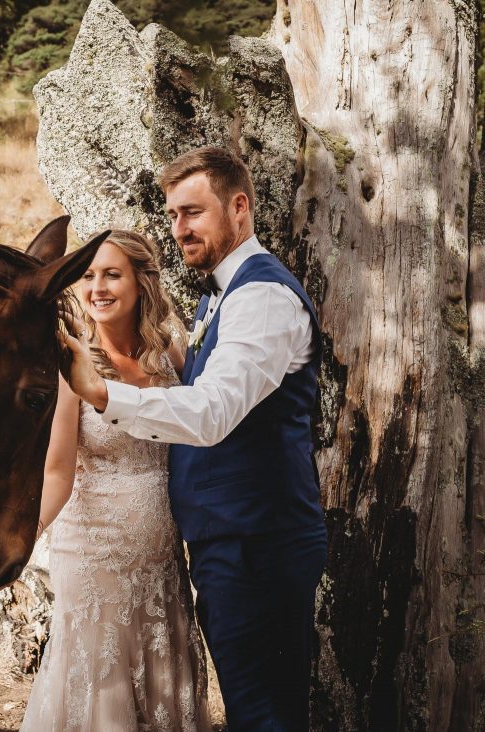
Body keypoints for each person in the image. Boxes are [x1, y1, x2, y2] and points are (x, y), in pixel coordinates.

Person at [61, 146, 328, 731]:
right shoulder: (220, 295)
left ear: (239, 208)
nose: (180, 228)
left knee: (263, 712)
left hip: (259, 542)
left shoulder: (261, 298)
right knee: (255, 705)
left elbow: (211, 413)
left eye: (193, 212)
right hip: (230, 543)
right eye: (174, 215)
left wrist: (103, 395)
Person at [21, 230, 211, 732]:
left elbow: (203, 421)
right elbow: (58, 470)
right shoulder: (71, 362)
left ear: (139, 282)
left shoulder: (168, 352)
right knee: (103, 689)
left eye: (111, 274)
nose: (98, 287)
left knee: (161, 683)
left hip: (161, 561)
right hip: (92, 558)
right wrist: (25, 537)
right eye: (87, 276)